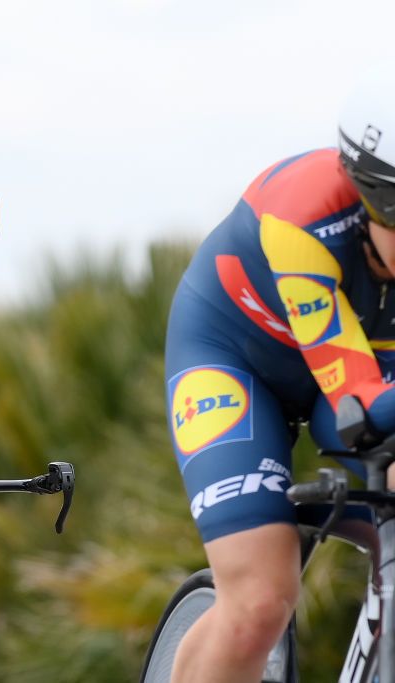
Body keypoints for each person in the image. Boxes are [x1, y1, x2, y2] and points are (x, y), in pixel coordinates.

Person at [164, 73, 395, 682]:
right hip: (235, 358)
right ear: (371, 196)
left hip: (356, 372)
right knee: (261, 601)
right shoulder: (304, 212)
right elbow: (361, 400)